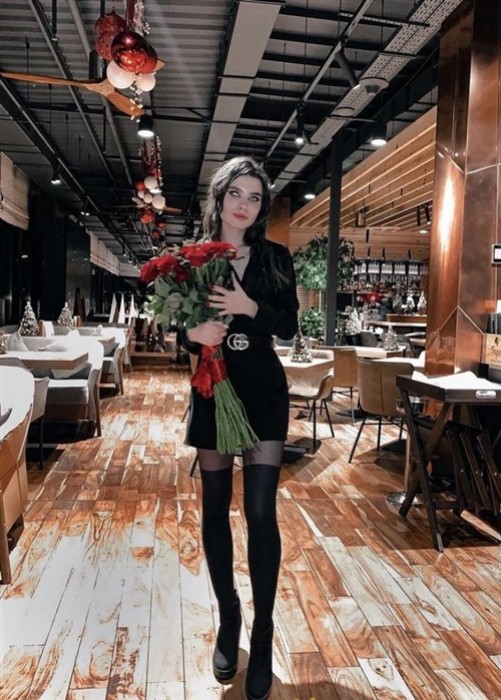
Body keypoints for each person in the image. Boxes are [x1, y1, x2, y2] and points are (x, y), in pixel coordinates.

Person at [182, 156, 299, 700]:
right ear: (220, 196)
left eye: (254, 198)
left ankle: (264, 631)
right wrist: (192, 334)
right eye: (237, 194)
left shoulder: (275, 257)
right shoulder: (195, 258)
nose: (244, 205)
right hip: (214, 390)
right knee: (214, 509)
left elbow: (290, 324)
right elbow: (178, 325)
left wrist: (250, 305)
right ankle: (229, 616)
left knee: (259, 511)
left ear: (261, 207)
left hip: (264, 392)